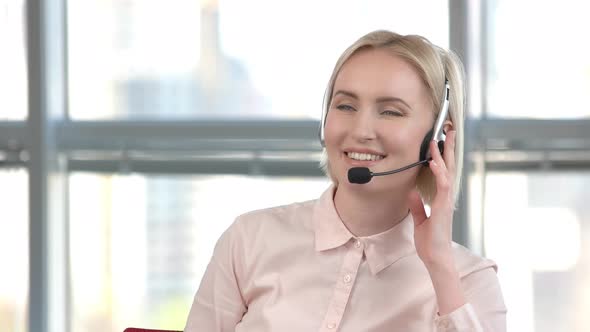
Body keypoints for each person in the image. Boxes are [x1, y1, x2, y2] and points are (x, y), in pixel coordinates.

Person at [184, 30, 506, 331]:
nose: (361, 131)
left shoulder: (469, 280)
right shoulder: (248, 241)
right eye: (346, 105)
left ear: (438, 137)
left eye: (391, 112)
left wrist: (439, 265)